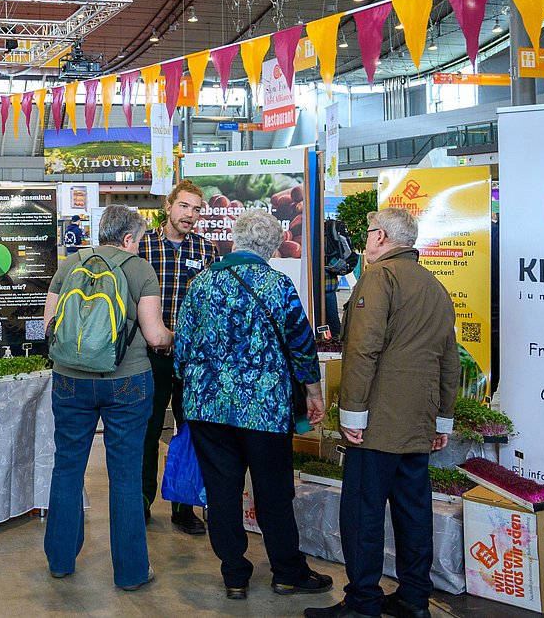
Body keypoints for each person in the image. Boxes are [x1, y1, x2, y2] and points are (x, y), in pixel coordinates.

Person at [306, 208, 459, 618]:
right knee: (414, 510)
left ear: (382, 237)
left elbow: (362, 349)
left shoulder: (379, 278)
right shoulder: (434, 285)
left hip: (376, 424)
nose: (365, 242)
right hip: (419, 423)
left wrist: (351, 415)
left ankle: (363, 602)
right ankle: (413, 598)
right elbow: (450, 360)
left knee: (363, 512)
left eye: (369, 233)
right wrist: (443, 418)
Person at [175, 210, 331, 600]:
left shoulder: (201, 283)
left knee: (222, 491)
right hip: (263, 408)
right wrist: (313, 392)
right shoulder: (278, 284)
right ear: (274, 246)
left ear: (235, 239)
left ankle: (234, 576)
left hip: (208, 407)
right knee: (273, 491)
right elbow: (301, 344)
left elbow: (181, 350)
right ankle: (287, 571)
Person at [42, 205, 172, 591]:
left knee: (66, 467)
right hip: (127, 382)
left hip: (69, 380)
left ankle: (61, 560)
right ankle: (131, 572)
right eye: (141, 239)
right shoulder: (139, 269)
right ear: (129, 238)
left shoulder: (70, 264)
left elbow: (50, 325)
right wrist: (173, 337)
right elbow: (154, 336)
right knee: (126, 475)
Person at [137, 178, 217, 534]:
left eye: (197, 209)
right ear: (168, 207)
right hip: (148, 355)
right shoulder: (142, 247)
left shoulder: (207, 251)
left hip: (192, 361)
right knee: (147, 430)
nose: (190, 215)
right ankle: (140, 501)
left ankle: (185, 506)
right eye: (184, 206)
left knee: (190, 431)